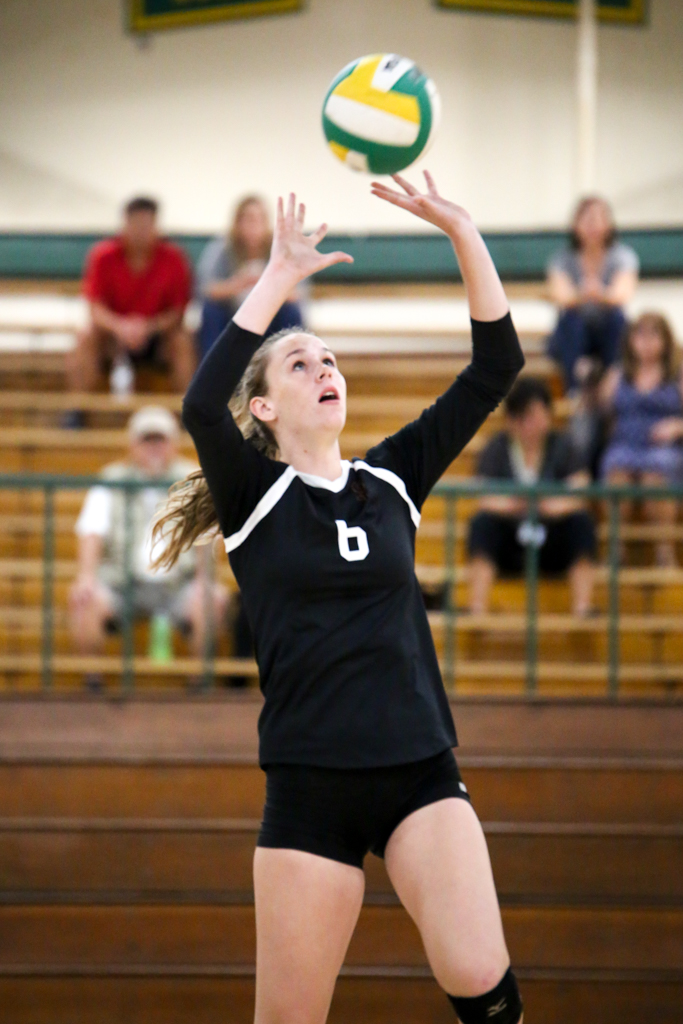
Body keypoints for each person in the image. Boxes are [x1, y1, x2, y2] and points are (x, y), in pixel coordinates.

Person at [152, 176, 525, 1024]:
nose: (322, 367)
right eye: (299, 361)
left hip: (418, 773)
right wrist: (278, 276)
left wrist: (462, 229)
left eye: (328, 359)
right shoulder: (254, 494)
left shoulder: (392, 477)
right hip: (309, 786)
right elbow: (197, 404)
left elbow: (496, 364)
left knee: (485, 988)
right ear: (265, 407)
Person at [69, 405, 228, 688]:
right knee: (83, 599)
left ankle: (198, 685)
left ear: (173, 443)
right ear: (132, 444)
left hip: (180, 583)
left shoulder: (193, 479)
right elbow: (91, 530)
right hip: (122, 583)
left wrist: (205, 580)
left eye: (160, 439)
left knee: (212, 598)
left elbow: (207, 536)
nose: (154, 447)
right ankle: (92, 684)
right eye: (147, 440)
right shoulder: (112, 479)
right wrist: (86, 577)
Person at [468, 377, 596, 616]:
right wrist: (517, 505)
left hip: (552, 532)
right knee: (482, 525)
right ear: (513, 420)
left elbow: (582, 487)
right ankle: (477, 607)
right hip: (510, 535)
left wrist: (548, 507)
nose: (534, 425)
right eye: (527, 417)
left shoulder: (562, 445)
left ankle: (583, 606)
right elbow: (482, 494)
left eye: (540, 416)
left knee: (582, 524)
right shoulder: (497, 447)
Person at [67, 197, 195, 398]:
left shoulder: (174, 258)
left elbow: (177, 312)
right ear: (125, 224)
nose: (141, 231)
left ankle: (187, 412)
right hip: (112, 336)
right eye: (135, 224)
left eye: (146, 224)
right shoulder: (103, 256)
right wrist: (121, 327)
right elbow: (95, 308)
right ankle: (78, 410)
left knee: (183, 341)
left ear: (156, 226)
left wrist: (147, 328)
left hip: (158, 336)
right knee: (85, 337)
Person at [600, 312, 683, 567]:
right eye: (640, 334)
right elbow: (600, 410)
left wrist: (676, 426)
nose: (646, 342)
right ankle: (617, 548)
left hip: (663, 447)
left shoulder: (676, 375)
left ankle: (664, 549)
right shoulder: (618, 375)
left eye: (653, 334)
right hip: (625, 445)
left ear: (666, 340)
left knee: (655, 475)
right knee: (616, 472)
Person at [547, 196, 639, 391]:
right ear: (575, 225)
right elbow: (561, 296)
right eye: (587, 220)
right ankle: (575, 392)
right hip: (574, 334)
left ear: (609, 225)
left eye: (598, 219)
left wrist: (595, 293)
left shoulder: (623, 256)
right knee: (571, 321)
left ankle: (616, 389)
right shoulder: (561, 258)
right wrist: (589, 293)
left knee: (617, 319)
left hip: (608, 333)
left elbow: (621, 295)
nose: (593, 226)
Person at [195, 195, 304, 359]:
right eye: (248, 219)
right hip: (231, 320)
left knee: (291, 313)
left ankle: (293, 365)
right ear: (237, 222)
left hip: (271, 321)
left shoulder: (282, 249)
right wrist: (237, 284)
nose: (253, 225)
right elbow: (204, 289)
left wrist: (268, 285)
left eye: (258, 219)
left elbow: (297, 294)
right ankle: (213, 372)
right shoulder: (222, 249)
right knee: (211, 311)